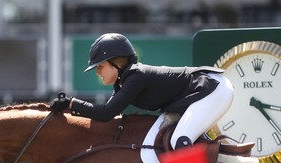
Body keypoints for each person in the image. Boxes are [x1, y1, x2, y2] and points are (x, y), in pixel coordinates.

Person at [50, 33, 234, 150]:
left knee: (180, 139)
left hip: (211, 88)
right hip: (201, 92)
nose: (98, 71)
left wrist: (71, 103)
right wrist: (71, 106)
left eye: (101, 66)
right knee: (162, 139)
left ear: (117, 62)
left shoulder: (136, 76)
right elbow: (107, 113)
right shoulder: (126, 80)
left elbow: (106, 113)